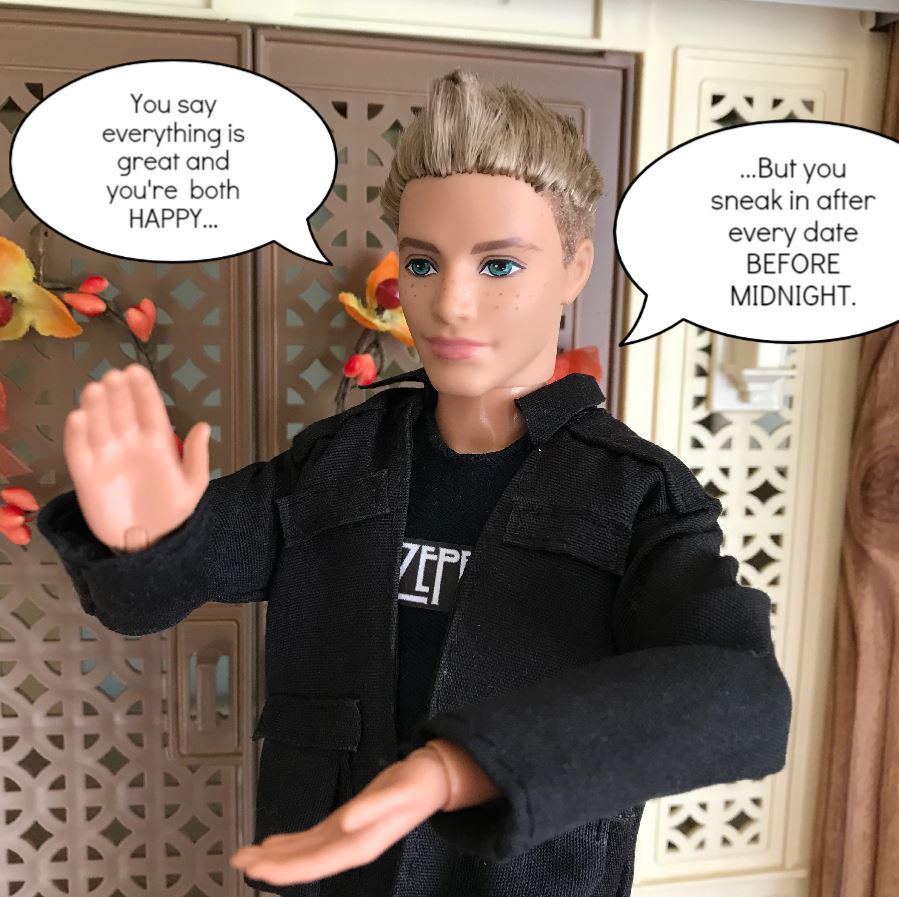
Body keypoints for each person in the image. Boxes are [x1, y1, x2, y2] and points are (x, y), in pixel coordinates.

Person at [37, 70, 792, 897]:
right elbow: (149, 599)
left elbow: (743, 700)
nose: (450, 303)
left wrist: (457, 768)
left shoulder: (636, 495)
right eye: (424, 263)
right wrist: (146, 540)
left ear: (575, 266)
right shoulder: (338, 459)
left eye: (499, 264)